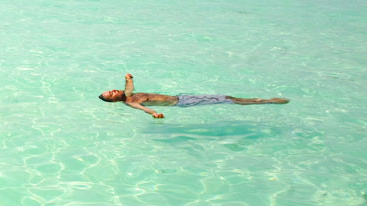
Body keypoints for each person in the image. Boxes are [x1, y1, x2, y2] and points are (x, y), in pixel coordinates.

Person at [99, 73, 288, 119]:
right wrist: (153, 113)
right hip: (182, 103)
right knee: (227, 98)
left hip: (182, 97)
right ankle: (265, 101)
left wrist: (128, 78)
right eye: (111, 94)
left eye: (111, 89)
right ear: (113, 101)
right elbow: (143, 108)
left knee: (227, 97)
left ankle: (262, 101)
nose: (113, 91)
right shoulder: (131, 102)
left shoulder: (129, 93)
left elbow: (129, 85)